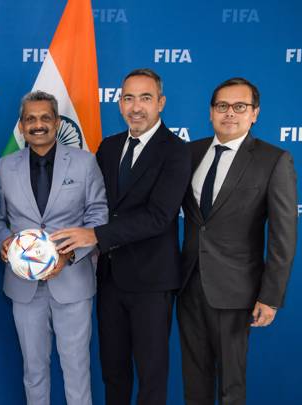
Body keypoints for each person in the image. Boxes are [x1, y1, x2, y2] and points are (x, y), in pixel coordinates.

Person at [178, 78, 297, 405]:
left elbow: (283, 236)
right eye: (222, 106)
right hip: (188, 285)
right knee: (194, 380)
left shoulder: (274, 160)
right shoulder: (189, 153)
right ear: (211, 112)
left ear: (254, 113)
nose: (230, 113)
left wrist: (270, 296)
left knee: (231, 385)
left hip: (236, 291)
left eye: (239, 107)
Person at [81, 68, 191, 405]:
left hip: (151, 283)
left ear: (161, 103)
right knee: (113, 373)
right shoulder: (109, 147)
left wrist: (95, 235)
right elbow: (98, 205)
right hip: (110, 279)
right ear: (119, 103)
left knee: (151, 376)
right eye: (129, 98)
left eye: (145, 98)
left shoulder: (176, 151)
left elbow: (159, 217)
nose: (136, 106)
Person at [0, 90, 108, 404]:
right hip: (23, 286)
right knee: (34, 369)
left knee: (76, 367)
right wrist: (3, 241)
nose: (38, 124)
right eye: (30, 119)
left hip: (72, 282)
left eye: (45, 117)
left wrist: (68, 254)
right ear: (22, 125)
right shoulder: (4, 167)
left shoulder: (84, 163)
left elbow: (98, 215)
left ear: (57, 122)